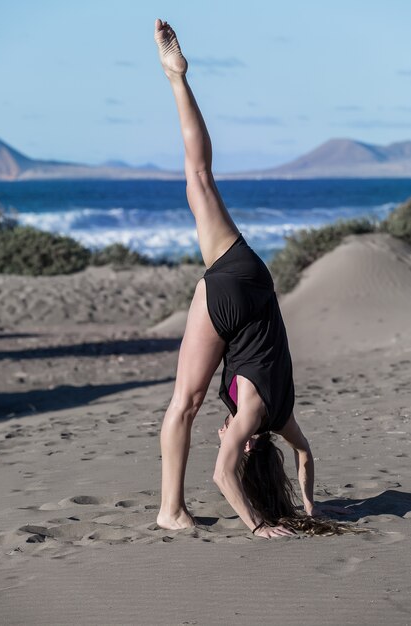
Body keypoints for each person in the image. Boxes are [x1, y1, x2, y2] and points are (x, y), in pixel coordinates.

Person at [154, 19, 346, 538]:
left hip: (253, 276)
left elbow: (305, 456)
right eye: (232, 440)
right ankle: (170, 509)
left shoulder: (282, 417)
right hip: (229, 295)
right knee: (185, 404)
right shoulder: (255, 416)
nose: (225, 438)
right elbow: (222, 474)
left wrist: (309, 505)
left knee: (200, 176)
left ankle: (178, 80)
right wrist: (260, 523)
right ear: (247, 447)